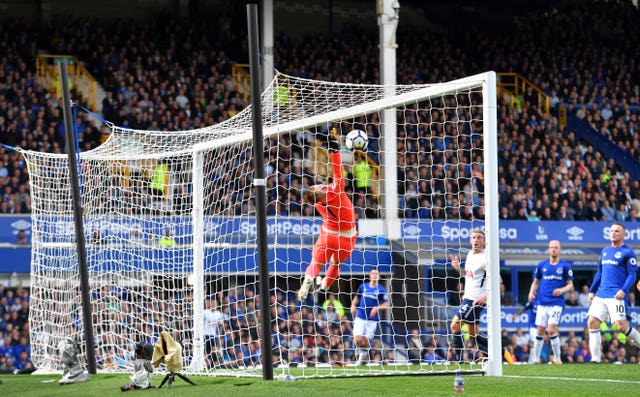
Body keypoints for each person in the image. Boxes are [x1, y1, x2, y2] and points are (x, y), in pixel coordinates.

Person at [297, 128, 357, 301]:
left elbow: (327, 185)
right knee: (336, 263)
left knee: (316, 263)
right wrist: (334, 150)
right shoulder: (335, 192)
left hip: (328, 235)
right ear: (319, 193)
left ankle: (308, 280)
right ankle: (325, 284)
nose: (320, 185)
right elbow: (338, 172)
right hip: (346, 238)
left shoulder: (318, 204)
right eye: (318, 187)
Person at [587, 222, 640, 363]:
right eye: (611, 231)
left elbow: (632, 274)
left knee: (621, 326)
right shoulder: (604, 251)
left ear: (624, 234)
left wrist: (624, 290)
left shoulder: (628, 252)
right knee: (592, 322)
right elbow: (600, 272)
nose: (613, 233)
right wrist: (592, 290)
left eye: (617, 231)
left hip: (616, 295)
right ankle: (595, 359)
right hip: (601, 294)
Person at [526, 240, 574, 364]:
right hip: (542, 303)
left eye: (556, 247)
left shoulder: (565, 266)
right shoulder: (542, 265)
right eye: (551, 247)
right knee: (540, 331)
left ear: (560, 250)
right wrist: (531, 293)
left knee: (552, 329)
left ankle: (557, 359)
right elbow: (536, 281)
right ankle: (536, 360)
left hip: (557, 303)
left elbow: (570, 285)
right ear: (548, 249)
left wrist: (562, 290)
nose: (553, 249)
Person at [449, 228, 489, 361]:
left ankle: (459, 360)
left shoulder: (486, 258)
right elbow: (468, 276)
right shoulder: (470, 255)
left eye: (479, 238)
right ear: (470, 240)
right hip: (467, 297)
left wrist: (486, 296)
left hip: (475, 300)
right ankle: (498, 352)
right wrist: (457, 268)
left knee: (454, 326)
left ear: (483, 241)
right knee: (473, 334)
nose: (476, 240)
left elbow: (497, 280)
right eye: (474, 238)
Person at [350, 268, 389, 365]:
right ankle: (360, 355)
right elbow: (357, 297)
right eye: (373, 273)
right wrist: (353, 305)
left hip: (372, 320)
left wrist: (377, 308)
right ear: (370, 275)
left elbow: (386, 305)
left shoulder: (381, 290)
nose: (375, 275)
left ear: (379, 276)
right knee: (357, 339)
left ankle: (362, 357)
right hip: (360, 316)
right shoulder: (363, 286)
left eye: (376, 273)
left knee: (366, 342)